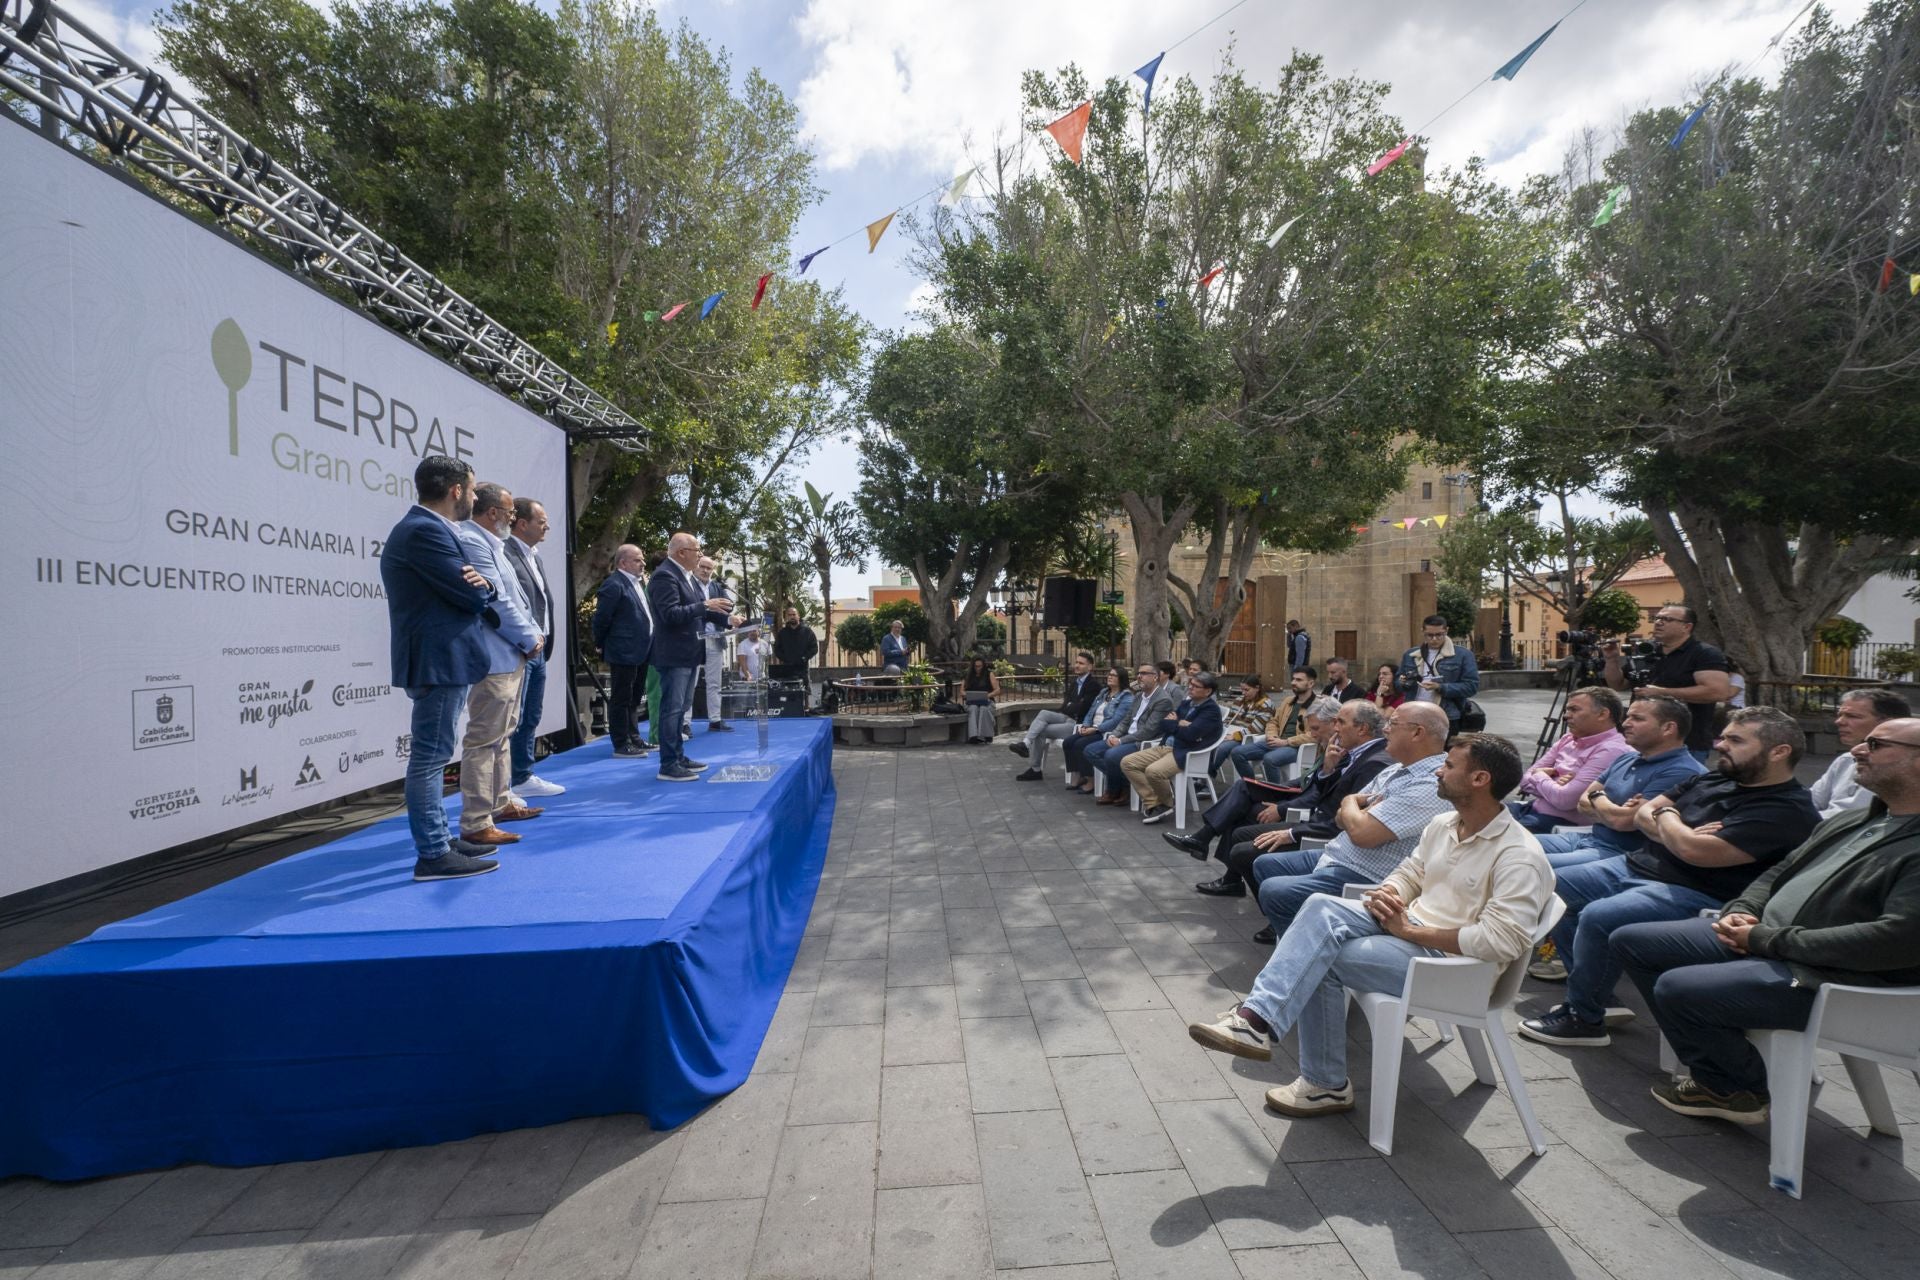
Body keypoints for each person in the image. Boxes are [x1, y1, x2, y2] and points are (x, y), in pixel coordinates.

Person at [1185, 733, 1553, 1120]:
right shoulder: (1445, 823)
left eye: (1449, 766)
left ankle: (1315, 1075)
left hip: (1456, 969)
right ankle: (1259, 1022)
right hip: (1409, 928)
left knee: (1320, 954)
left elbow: (1501, 942)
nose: (1439, 774)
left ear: (1480, 780)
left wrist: (1410, 931)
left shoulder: (1519, 855)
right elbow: (1411, 871)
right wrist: (1389, 892)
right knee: (1319, 906)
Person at [1610, 716, 1920, 1127]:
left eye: (1877, 744)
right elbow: (1780, 872)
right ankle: (1725, 1068)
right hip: (1767, 939)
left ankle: (1736, 1086)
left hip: (1833, 979)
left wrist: (1767, 939)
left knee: (1679, 988)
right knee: (1632, 940)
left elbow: (1894, 939)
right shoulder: (1860, 818)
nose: (1856, 751)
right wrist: (1743, 908)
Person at [1519, 706, 1822, 1048]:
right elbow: (1645, 815)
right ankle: (1596, 996)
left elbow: (1694, 851)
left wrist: (1667, 819)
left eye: (1735, 740)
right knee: (1548, 885)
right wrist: (1675, 826)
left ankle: (1583, 1018)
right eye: (1723, 736)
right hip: (1633, 865)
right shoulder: (1713, 778)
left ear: (1779, 751)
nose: (1719, 744)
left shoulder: (1787, 809)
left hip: (1693, 891)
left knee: (1598, 916)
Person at [379, 456, 502, 882]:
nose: (473, 496)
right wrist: (482, 589)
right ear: (455, 491)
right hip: (438, 659)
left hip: (443, 658)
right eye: (470, 490)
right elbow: (469, 596)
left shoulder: (429, 530)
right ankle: (432, 854)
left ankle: (440, 840)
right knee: (430, 759)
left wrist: (483, 584)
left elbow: (480, 588)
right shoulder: (423, 531)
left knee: (434, 756)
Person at [1247, 702, 1454, 941]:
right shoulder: (1396, 769)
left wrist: (1355, 807)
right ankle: (1300, 935)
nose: (1385, 729)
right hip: (1338, 854)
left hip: (1365, 873)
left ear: (1418, 732)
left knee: (1275, 892)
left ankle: (1301, 947)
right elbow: (1340, 814)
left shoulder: (1430, 784)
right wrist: (1354, 804)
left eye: (1393, 723)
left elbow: (1362, 834)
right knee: (1264, 863)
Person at [453, 483, 545, 850]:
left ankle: (500, 802)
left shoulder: (494, 543)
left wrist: (531, 636)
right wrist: (529, 638)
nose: (512, 518)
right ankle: (476, 821)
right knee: (485, 738)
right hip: (494, 656)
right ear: (493, 513)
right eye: (509, 513)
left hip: (511, 655)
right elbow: (497, 601)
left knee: (503, 734)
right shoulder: (474, 541)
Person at [649, 532, 737, 781]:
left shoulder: (685, 576)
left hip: (689, 654)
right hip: (674, 655)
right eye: (696, 550)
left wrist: (729, 619)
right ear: (681, 553)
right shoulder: (665, 575)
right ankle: (668, 764)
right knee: (672, 709)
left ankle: (678, 756)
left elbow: (702, 612)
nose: (699, 555)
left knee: (682, 707)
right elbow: (671, 614)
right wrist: (705, 606)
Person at [1602, 604, 1731, 762]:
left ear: (1687, 627)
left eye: (1667, 619)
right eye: (1657, 618)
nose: (1658, 622)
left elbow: (1718, 692)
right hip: (1639, 743)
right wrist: (1612, 660)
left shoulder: (1704, 653)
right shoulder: (1647, 652)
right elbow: (1618, 684)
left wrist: (1662, 693)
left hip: (1685, 745)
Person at [502, 498, 563, 799]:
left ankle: (523, 775)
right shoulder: (505, 553)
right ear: (522, 523)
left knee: (531, 716)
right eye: (541, 521)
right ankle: (507, 783)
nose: (547, 526)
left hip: (539, 649)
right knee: (513, 717)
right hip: (519, 649)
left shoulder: (533, 556)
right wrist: (526, 640)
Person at [1508, 687, 1632, 834]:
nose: (1566, 716)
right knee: (1478, 815)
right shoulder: (1567, 739)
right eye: (1567, 710)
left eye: (1574, 710)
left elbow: (1565, 800)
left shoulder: (1611, 749)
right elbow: (1524, 782)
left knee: (1496, 838)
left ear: (1602, 714)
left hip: (1560, 823)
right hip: (1532, 808)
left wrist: (1539, 775)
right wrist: (1553, 784)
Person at [1120, 671, 1224, 823]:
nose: (1190, 687)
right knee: (1127, 763)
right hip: (1166, 747)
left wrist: (1177, 723)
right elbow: (1164, 723)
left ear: (1208, 691)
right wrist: (1180, 724)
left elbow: (1191, 735)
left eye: (1196, 686)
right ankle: (1155, 802)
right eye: (1190, 684)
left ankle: (1166, 803)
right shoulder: (1187, 703)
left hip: (1184, 752)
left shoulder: (1211, 711)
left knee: (1153, 771)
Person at [593, 545, 655, 758]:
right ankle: (621, 743)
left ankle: (635, 738)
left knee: (635, 698)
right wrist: (600, 643)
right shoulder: (614, 585)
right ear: (623, 563)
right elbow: (601, 619)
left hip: (642, 650)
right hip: (623, 650)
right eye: (637, 560)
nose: (643, 563)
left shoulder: (637, 583)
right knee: (621, 698)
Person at [1810, 688, 1912, 818]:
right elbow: (1811, 802)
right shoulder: (1845, 760)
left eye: (1852, 716)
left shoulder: (1903, 767)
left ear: (1889, 724)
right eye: (1839, 715)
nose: (1839, 722)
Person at [1088, 663, 1176, 803]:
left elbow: (1148, 731)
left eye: (1144, 673)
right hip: (1126, 737)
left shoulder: (1163, 700)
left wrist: (1121, 741)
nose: (1139, 676)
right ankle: (1125, 784)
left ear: (1155, 677)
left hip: (1141, 742)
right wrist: (1114, 735)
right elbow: (1126, 720)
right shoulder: (1139, 696)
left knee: (1110, 755)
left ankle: (1113, 790)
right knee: (1090, 750)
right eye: (1138, 673)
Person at [1011, 651, 1100, 781]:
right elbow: (1068, 704)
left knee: (1040, 731)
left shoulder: (1093, 685)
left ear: (1090, 667)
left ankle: (1035, 769)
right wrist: (1072, 705)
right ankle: (1025, 744)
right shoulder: (1075, 682)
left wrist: (1072, 705)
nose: (1077, 665)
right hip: (1065, 716)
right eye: (1076, 662)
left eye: (1081, 663)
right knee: (1043, 713)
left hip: (1077, 724)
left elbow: (1083, 707)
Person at [1395, 614, 1480, 733]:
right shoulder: (1410, 654)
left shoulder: (1463, 655)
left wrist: (1441, 687)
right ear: (1423, 631)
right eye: (1429, 635)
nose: (1434, 639)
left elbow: (1472, 686)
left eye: (1439, 635)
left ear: (1446, 630)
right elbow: (1398, 683)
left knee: (1443, 751)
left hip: (1446, 715)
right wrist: (1402, 682)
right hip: (1414, 714)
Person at [1231, 667, 1317, 782]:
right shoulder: (1288, 701)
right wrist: (1273, 736)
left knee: (1270, 759)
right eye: (1293, 679)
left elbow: (1315, 735)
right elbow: (1273, 721)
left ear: (1310, 683)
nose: (1293, 683)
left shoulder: (1318, 705)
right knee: (1237, 752)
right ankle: (1252, 787)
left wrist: (1286, 742)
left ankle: (1275, 795)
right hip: (1276, 741)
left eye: (1299, 680)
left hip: (1296, 747)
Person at [1062, 667, 1134, 791]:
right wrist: (1085, 725)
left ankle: (1091, 780)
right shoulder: (1104, 693)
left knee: (1080, 744)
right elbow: (1090, 712)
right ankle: (1079, 776)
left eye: (1114, 675)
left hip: (1104, 731)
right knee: (1068, 742)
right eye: (1109, 674)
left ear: (1121, 679)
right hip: (1091, 728)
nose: (1109, 677)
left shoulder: (1126, 697)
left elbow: (1116, 721)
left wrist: (1095, 729)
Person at [694, 556, 738, 733]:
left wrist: (722, 608)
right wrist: (708, 607)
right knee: (690, 683)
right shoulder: (690, 584)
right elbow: (690, 608)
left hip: (715, 637)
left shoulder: (717, 586)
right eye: (702, 567)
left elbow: (729, 607)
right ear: (696, 567)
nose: (705, 571)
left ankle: (715, 719)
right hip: (695, 638)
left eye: (709, 568)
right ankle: (685, 723)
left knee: (715, 683)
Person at [770, 606, 819, 696]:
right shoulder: (782, 633)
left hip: (802, 668)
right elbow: (777, 649)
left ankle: (806, 709)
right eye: (789, 615)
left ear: (798, 616)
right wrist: (785, 658)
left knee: (805, 693)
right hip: (787, 667)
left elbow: (814, 648)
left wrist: (804, 658)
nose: (792, 617)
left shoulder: (807, 632)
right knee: (787, 693)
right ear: (786, 617)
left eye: (794, 614)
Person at [1222, 674, 1274, 742]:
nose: (1243, 693)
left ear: (1257, 688)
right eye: (1242, 689)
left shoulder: (1266, 705)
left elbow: (1256, 729)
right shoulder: (1239, 700)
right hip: (1233, 733)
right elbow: (1229, 719)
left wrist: (1235, 736)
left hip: (1249, 738)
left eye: (1246, 690)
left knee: (1222, 748)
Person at [961, 656, 1001, 744]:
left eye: (979, 666)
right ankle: (973, 736)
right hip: (971, 702)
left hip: (987, 701)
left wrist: (988, 695)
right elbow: (962, 691)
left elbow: (997, 690)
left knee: (984, 709)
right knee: (973, 709)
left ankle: (986, 735)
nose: (977, 668)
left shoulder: (989, 674)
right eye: (975, 666)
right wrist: (968, 695)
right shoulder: (967, 675)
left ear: (983, 666)